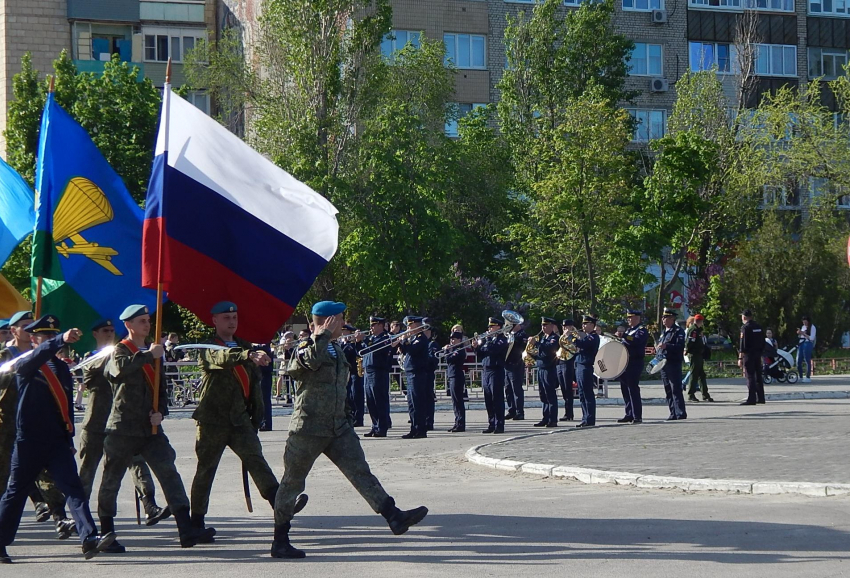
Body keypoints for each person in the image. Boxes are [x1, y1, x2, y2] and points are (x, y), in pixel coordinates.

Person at [270, 300, 427, 559]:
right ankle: (280, 539)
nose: (343, 324)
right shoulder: (305, 347)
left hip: (337, 427)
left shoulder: (336, 349)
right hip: (308, 427)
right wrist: (318, 335)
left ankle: (394, 516)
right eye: (339, 319)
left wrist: (347, 414)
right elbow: (303, 366)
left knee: (360, 472)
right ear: (328, 321)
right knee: (292, 482)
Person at [97, 305, 215, 549]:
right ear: (128, 325)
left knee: (169, 474)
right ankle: (107, 532)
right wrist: (149, 355)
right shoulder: (118, 351)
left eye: (148, 320)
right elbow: (118, 371)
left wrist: (161, 412)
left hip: (150, 430)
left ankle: (186, 530)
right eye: (141, 321)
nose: (147, 325)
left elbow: (161, 389)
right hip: (122, 429)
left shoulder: (155, 353)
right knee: (111, 480)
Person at [0, 316, 116, 564]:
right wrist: (57, 341)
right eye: (45, 336)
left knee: (73, 489)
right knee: (16, 492)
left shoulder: (62, 368)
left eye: (54, 335)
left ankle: (88, 537)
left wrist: (68, 437)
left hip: (57, 440)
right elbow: (38, 356)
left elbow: (65, 406)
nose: (52, 340)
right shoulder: (26, 362)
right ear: (34, 339)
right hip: (29, 439)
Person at [190, 301, 303, 533]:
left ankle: (281, 505)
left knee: (257, 461)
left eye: (234, 317)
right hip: (212, 420)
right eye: (225, 318)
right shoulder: (209, 346)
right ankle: (196, 523)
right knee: (205, 470)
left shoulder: (246, 347)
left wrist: (256, 418)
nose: (231, 322)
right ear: (214, 320)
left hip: (240, 420)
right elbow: (223, 359)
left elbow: (254, 387)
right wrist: (249, 355)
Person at [77, 318, 169, 548]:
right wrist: (112, 357)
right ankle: (79, 517)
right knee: (89, 471)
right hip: (97, 423)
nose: (110, 333)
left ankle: (149, 504)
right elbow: (89, 377)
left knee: (137, 464)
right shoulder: (94, 356)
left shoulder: (126, 354)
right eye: (105, 331)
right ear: (95, 333)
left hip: (122, 424)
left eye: (112, 330)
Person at [0, 310, 72, 536]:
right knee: (6, 478)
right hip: (6, 424)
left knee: (47, 473)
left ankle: (59, 517)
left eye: (33, 324)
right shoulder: (5, 355)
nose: (30, 328)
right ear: (14, 331)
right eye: (25, 325)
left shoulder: (44, 356)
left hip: (34, 425)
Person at [397, 317, 431, 439]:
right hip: (410, 373)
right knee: (411, 404)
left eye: (410, 326)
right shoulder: (414, 339)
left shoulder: (421, 339)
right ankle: (414, 428)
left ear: (416, 325)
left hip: (417, 374)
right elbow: (406, 351)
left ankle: (420, 430)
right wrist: (401, 344)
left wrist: (404, 341)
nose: (408, 329)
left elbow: (412, 351)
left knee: (418, 403)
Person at [473, 317, 509, 434]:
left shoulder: (502, 339)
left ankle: (499, 425)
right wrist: (476, 347)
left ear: (498, 327)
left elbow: (493, 350)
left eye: (492, 326)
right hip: (486, 370)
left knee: (497, 399)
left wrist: (487, 341)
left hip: (496, 370)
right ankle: (491, 423)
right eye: (489, 327)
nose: (489, 329)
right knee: (488, 399)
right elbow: (481, 354)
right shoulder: (488, 340)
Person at [362, 316, 393, 438]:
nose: (371, 328)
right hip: (368, 371)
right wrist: (358, 342)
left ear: (380, 325)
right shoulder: (371, 338)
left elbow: (375, 349)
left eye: (373, 325)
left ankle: (382, 427)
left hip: (378, 372)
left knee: (379, 400)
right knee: (370, 401)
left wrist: (363, 340)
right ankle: (375, 426)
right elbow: (359, 351)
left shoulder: (385, 339)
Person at [619, 309, 649, 424]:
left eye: (630, 318)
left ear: (637, 318)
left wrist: (625, 337)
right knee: (625, 388)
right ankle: (629, 413)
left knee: (633, 388)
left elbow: (636, 341)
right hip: (625, 361)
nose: (628, 320)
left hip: (635, 361)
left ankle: (637, 415)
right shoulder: (629, 330)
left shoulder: (641, 330)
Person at [658, 308, 687, 421]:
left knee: (675, 388)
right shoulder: (664, 331)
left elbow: (680, 347)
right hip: (663, 363)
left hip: (673, 363)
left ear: (672, 318)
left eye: (665, 317)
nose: (663, 319)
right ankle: (672, 412)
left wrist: (667, 346)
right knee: (668, 389)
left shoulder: (678, 331)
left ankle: (680, 412)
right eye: (663, 317)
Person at [531, 317, 560, 428]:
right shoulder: (544, 337)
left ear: (551, 326)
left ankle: (553, 419)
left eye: (546, 325)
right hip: (541, 368)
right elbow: (541, 353)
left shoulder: (554, 338)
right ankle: (545, 417)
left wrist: (536, 343)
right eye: (542, 325)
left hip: (549, 369)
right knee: (543, 395)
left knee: (550, 395)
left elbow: (549, 349)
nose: (543, 328)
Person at [574, 315, 600, 428]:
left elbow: (581, 344)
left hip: (586, 366)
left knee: (587, 393)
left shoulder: (592, 337)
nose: (583, 326)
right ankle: (585, 417)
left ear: (592, 325)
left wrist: (571, 337)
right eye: (583, 324)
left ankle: (589, 418)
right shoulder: (587, 336)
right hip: (579, 365)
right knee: (581, 393)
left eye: (586, 324)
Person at [739, 309, 765, 405]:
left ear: (744, 317)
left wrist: (740, 358)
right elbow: (763, 342)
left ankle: (752, 398)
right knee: (758, 375)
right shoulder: (758, 327)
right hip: (758, 354)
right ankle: (761, 397)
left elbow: (743, 344)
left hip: (749, 354)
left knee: (750, 376)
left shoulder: (745, 328)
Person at [341, 324, 366, 427]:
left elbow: (354, 353)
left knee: (356, 396)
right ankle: (351, 416)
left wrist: (353, 341)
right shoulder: (342, 343)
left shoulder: (353, 344)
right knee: (348, 396)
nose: (342, 333)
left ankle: (358, 418)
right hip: (347, 373)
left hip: (355, 372)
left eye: (344, 331)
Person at [686, 313, 713, 402]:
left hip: (699, 354)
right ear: (700, 321)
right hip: (694, 354)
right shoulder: (693, 330)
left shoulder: (698, 330)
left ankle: (705, 394)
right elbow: (690, 342)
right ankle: (691, 394)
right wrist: (688, 350)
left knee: (701, 375)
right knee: (694, 374)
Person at [504, 321, 527, 420]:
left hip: (516, 364)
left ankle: (519, 412)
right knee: (508, 389)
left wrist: (511, 336)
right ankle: (511, 410)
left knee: (516, 389)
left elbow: (521, 344)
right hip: (507, 364)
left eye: (512, 324)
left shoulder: (522, 334)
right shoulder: (509, 335)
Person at [444, 331, 467, 432]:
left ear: (459, 340)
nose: (452, 341)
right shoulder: (454, 349)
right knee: (455, 402)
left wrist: (446, 351)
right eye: (451, 339)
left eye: (454, 339)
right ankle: (457, 422)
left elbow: (449, 359)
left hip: (457, 376)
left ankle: (461, 424)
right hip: (452, 376)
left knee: (458, 401)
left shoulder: (460, 350)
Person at [556, 319, 576, 422]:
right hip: (560, 362)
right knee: (563, 389)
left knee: (568, 389)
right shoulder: (561, 337)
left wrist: (568, 336)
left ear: (571, 327)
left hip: (568, 363)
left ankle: (569, 413)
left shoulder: (573, 337)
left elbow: (573, 348)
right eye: (563, 326)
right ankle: (567, 412)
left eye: (567, 326)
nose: (564, 328)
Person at [797, 316, 816, 383]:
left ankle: (808, 376)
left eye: (805, 321)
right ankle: (801, 376)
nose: (804, 322)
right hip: (801, 343)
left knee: (807, 359)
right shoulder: (803, 327)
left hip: (808, 343)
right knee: (798, 360)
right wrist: (799, 333)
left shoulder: (812, 327)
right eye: (803, 321)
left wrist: (803, 334)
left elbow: (812, 338)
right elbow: (800, 336)